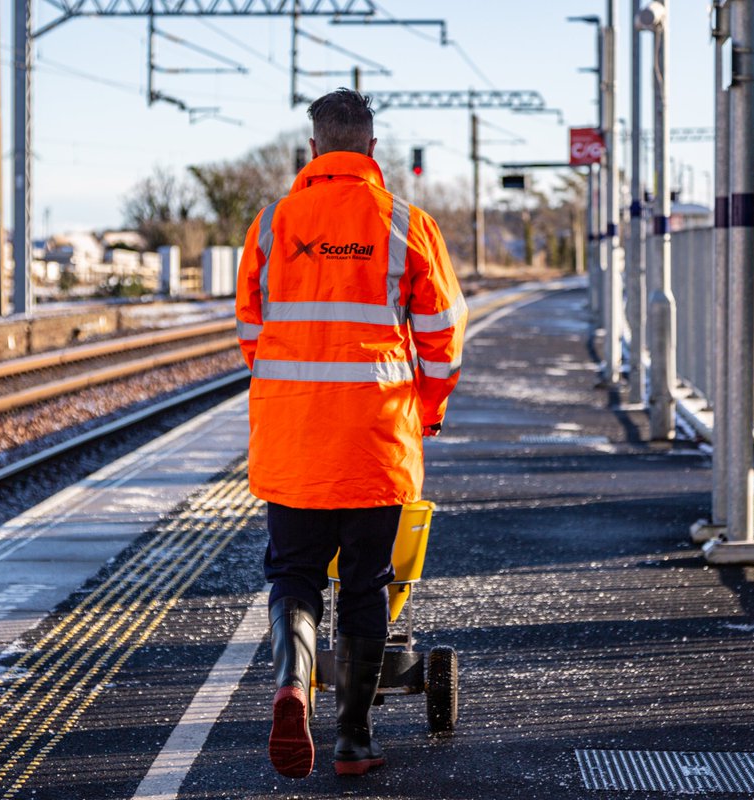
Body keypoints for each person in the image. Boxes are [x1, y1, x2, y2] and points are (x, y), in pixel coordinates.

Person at [235, 88, 466, 779]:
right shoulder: (406, 223)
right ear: (371, 150)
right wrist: (427, 409)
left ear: (311, 150)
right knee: (366, 584)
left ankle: (293, 687)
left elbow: (252, 331)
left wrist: (292, 392)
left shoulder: (273, 223)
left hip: (294, 440)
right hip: (376, 439)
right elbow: (443, 339)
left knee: (294, 576)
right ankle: (355, 739)